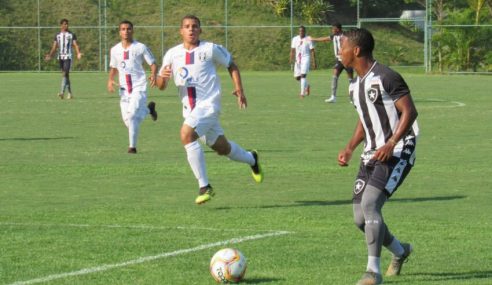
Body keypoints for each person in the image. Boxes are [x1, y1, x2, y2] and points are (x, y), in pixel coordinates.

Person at [336, 28, 419, 285]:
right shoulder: (354, 85)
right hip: (371, 153)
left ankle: (373, 272)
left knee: (371, 204)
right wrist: (350, 147)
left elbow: (410, 112)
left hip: (398, 150)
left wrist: (392, 142)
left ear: (356, 50)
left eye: (343, 47)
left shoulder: (386, 77)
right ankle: (400, 251)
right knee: (361, 218)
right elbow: (365, 119)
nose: (339, 52)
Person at [156, 15, 263, 205]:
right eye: (187, 27)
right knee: (223, 148)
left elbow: (231, 65)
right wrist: (161, 78)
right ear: (181, 31)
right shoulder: (172, 54)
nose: (191, 30)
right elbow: (160, 85)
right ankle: (251, 158)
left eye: (195, 26)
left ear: (200, 30)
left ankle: (205, 187)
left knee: (186, 135)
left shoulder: (210, 49)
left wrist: (239, 89)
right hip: (189, 110)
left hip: (208, 106)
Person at [107, 20, 158, 154]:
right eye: (123, 29)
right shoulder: (115, 50)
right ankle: (148, 110)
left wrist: (153, 74)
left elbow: (152, 63)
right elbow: (113, 67)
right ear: (119, 32)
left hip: (138, 87)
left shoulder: (140, 47)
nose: (126, 31)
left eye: (128, 29)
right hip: (124, 90)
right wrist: (110, 80)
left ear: (132, 31)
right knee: (129, 122)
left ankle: (132, 148)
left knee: (132, 117)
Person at [310, 23, 354, 103]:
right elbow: (324, 39)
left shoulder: (346, 36)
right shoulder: (334, 37)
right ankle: (333, 97)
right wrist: (314, 39)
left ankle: (352, 98)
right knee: (335, 76)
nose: (332, 30)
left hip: (347, 60)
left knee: (350, 79)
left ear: (337, 29)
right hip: (339, 60)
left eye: (333, 29)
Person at [45, 18, 82, 99]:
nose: (66, 25)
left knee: (65, 74)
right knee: (66, 75)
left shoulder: (71, 35)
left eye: (67, 24)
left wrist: (78, 53)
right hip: (60, 57)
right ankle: (70, 93)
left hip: (68, 57)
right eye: (64, 24)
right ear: (61, 25)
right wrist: (50, 55)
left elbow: (75, 45)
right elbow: (54, 47)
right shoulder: (57, 35)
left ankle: (61, 92)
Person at [289, 26, 316, 98]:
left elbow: (312, 51)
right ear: (298, 32)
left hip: (305, 58)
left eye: (302, 31)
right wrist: (291, 58)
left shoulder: (308, 39)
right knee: (297, 77)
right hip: (298, 60)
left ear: (305, 31)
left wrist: (314, 62)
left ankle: (302, 94)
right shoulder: (295, 39)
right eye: (300, 31)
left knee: (303, 75)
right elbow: (292, 50)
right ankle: (307, 86)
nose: (301, 32)